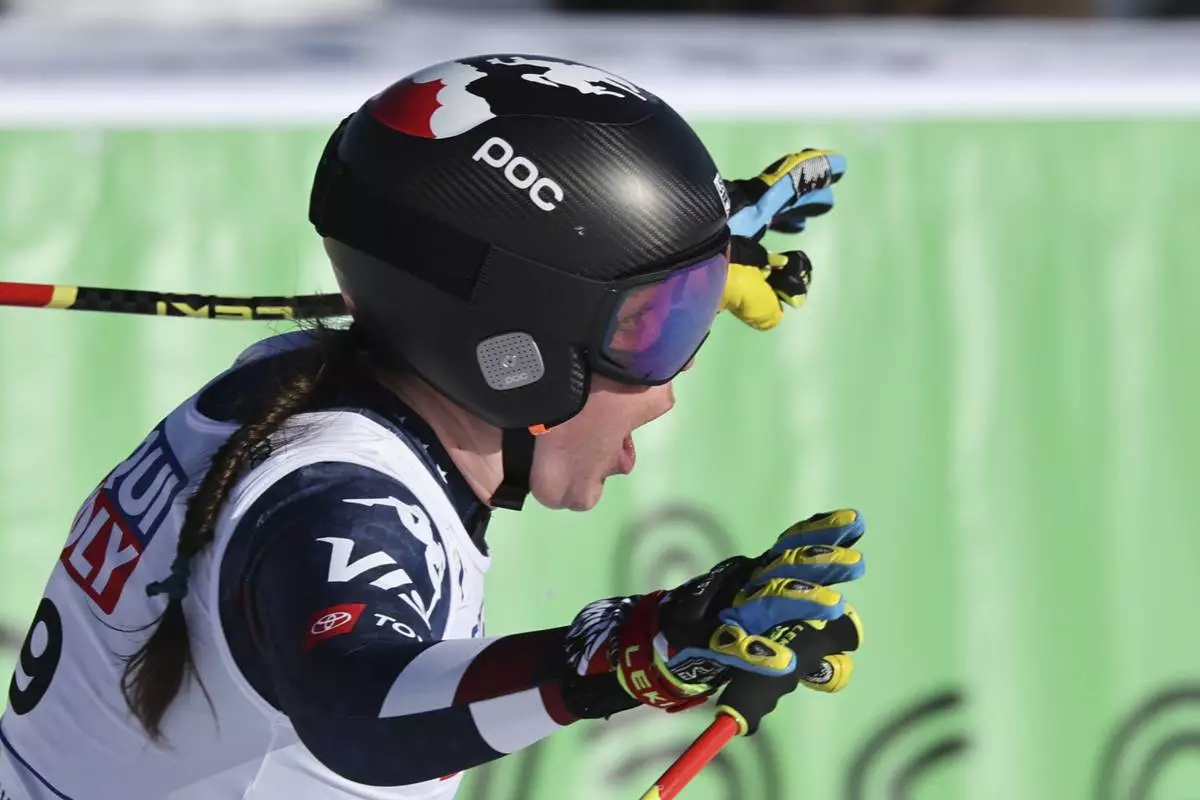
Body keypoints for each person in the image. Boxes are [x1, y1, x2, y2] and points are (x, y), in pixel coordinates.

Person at [0, 53, 866, 799]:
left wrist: (692, 249)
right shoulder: (337, 503)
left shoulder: (297, 383)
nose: (667, 391)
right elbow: (360, 708)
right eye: (654, 334)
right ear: (513, 346)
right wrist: (636, 650)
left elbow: (460, 257)